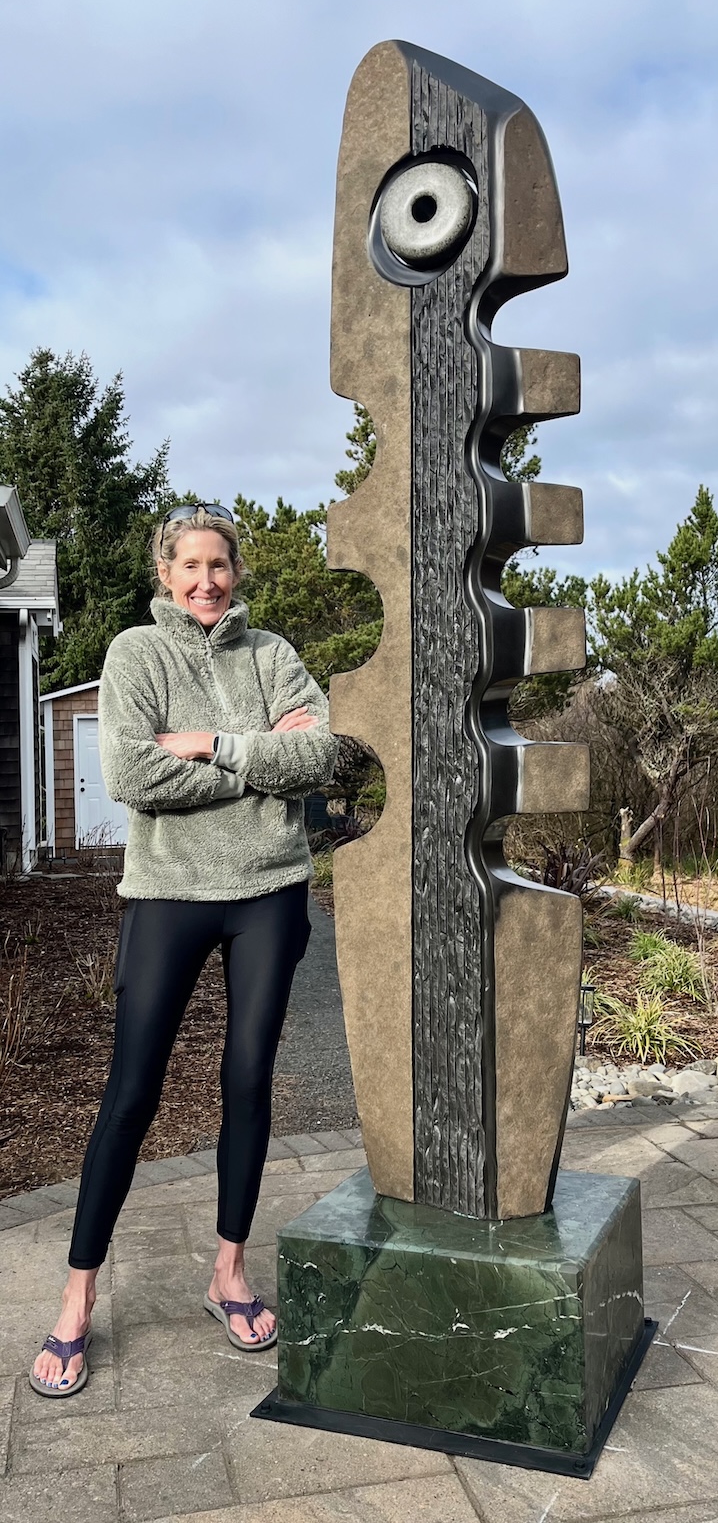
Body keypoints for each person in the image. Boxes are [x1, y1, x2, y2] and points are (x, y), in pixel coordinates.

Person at [30, 503, 339, 1397]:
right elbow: (132, 775)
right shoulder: (136, 654)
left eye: (220, 565)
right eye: (191, 566)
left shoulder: (271, 654)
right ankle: (78, 1296)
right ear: (166, 573)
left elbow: (321, 758)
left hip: (270, 894)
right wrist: (258, 762)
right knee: (131, 1092)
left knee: (248, 1080)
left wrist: (207, 744)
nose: (208, 581)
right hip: (168, 893)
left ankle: (228, 1273)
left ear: (237, 571)